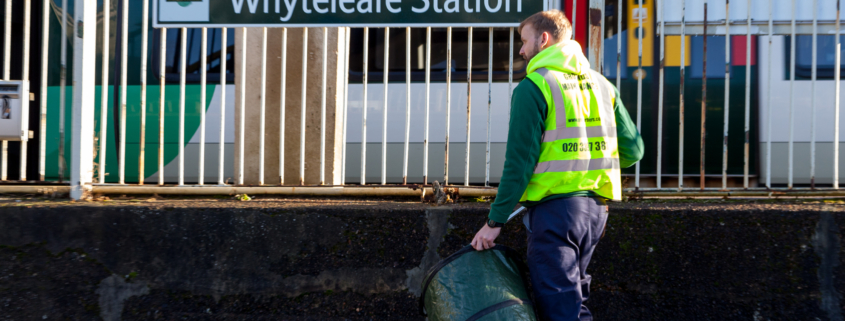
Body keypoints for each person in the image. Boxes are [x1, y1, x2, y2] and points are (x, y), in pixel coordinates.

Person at [470, 10, 644, 321]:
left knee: (560, 308)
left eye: (524, 42)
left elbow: (519, 164)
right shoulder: (603, 85)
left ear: (544, 39)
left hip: (556, 214)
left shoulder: (534, 86)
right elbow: (633, 150)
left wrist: (494, 222)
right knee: (574, 300)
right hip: (595, 213)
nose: (521, 50)